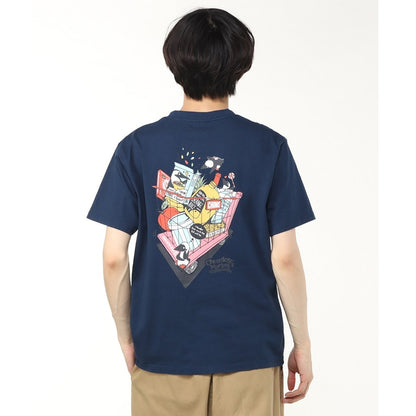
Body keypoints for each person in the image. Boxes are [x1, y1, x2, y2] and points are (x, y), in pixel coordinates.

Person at [86, 7, 315, 416]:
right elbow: (284, 257)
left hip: (162, 350)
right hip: (250, 352)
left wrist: (127, 338)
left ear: (175, 63)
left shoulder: (136, 148)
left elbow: (113, 257)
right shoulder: (269, 147)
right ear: (240, 66)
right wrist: (303, 343)